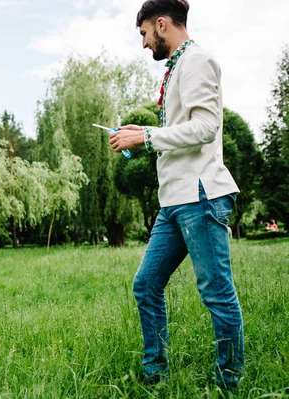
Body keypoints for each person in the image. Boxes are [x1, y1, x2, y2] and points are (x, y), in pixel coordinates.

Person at [108, 0, 244, 390]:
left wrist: (147, 136)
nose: (144, 43)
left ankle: (228, 382)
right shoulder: (179, 65)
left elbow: (205, 126)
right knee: (146, 284)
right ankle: (155, 375)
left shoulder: (197, 60)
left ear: (162, 24)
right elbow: (184, 128)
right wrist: (144, 128)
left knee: (216, 293)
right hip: (174, 201)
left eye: (145, 33)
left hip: (200, 196)